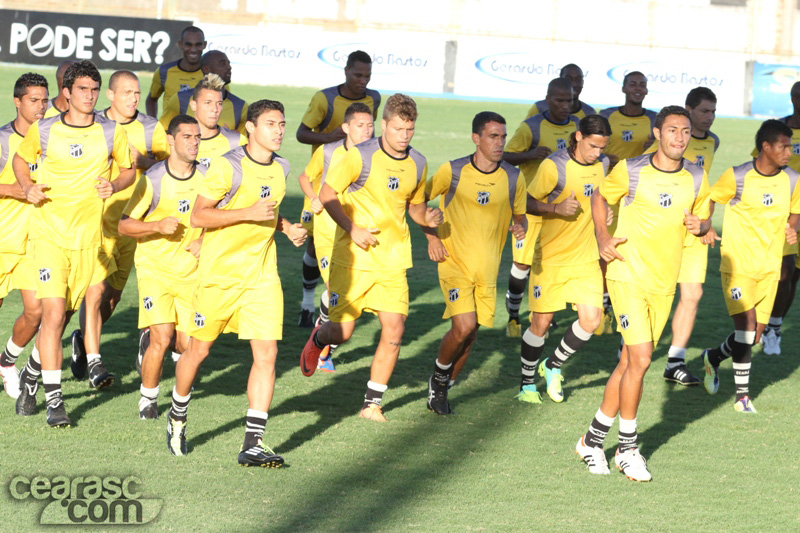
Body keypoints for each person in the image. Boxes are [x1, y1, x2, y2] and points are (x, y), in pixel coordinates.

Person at [166, 100, 307, 466]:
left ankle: (253, 443)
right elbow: (199, 215)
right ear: (251, 128)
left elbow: (269, 210)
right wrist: (247, 214)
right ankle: (178, 414)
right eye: (271, 124)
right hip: (219, 278)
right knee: (198, 352)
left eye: (282, 123)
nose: (279, 130)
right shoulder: (227, 167)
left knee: (268, 355)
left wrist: (286, 226)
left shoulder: (282, 167)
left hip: (261, 277)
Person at [574, 106, 711, 482]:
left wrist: (703, 225)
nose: (679, 138)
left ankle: (591, 439)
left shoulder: (697, 176)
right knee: (643, 357)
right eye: (672, 131)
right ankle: (628, 448)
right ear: (657, 132)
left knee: (629, 364)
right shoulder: (632, 170)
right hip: (626, 274)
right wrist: (603, 236)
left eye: (685, 132)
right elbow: (599, 197)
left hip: (663, 283)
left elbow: (703, 219)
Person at [299, 94, 442, 422]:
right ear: (384, 125)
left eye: (410, 129)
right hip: (353, 260)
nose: (404, 135)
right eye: (398, 129)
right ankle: (321, 336)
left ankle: (372, 403)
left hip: (393, 260)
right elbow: (326, 194)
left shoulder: (418, 162)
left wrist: (427, 221)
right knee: (343, 333)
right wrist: (352, 228)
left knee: (394, 330)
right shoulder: (358, 156)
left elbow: (415, 207)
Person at [13, 60, 133, 427]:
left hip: (89, 239)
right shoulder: (45, 129)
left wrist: (115, 185)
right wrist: (26, 187)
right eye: (82, 89)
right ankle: (55, 401)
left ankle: (31, 375)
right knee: (52, 314)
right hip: (48, 235)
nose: (90, 96)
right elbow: (21, 160)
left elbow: (128, 170)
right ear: (66, 93)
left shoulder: (111, 131)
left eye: (94, 90)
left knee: (68, 314)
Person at [69, 70, 170, 388]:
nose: (134, 99)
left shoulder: (152, 127)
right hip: (95, 221)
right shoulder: (93, 122)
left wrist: (146, 162)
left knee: (111, 298)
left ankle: (82, 339)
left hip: (130, 224)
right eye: (127, 93)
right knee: (93, 292)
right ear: (110, 95)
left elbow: (169, 164)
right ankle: (91, 359)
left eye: (138, 93)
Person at [423, 111, 527, 415]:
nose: (499, 142)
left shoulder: (512, 177)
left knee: (470, 335)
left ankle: (442, 389)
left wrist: (521, 227)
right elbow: (417, 201)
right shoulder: (452, 171)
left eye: (503, 136)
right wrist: (431, 237)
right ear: (476, 138)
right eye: (493, 136)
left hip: (487, 270)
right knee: (463, 325)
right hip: (454, 262)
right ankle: (439, 378)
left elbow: (520, 216)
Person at [702, 119, 800, 413]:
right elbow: (710, 199)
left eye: (791, 146)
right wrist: (706, 226)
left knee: (755, 335)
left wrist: (793, 228)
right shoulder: (738, 176)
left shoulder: (793, 179)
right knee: (745, 329)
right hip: (738, 266)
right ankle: (742, 396)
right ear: (766, 147)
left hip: (769, 270)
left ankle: (713, 358)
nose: (789, 152)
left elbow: (796, 210)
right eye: (784, 146)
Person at [517, 115, 611, 405]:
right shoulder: (553, 166)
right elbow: (526, 202)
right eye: (593, 146)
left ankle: (554, 365)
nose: (598, 153)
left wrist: (604, 213)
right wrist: (555, 208)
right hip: (551, 259)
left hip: (585, 259)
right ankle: (527, 383)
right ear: (579, 136)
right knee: (541, 324)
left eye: (602, 148)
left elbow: (600, 197)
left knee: (592, 320)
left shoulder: (603, 165)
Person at [119, 115, 206, 419]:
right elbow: (125, 225)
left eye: (197, 137)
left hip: (191, 272)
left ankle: (162, 367)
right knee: (162, 336)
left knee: (186, 344)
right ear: (170, 140)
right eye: (187, 137)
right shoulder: (153, 179)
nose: (194, 142)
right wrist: (157, 225)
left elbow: (223, 217)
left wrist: (204, 239)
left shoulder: (208, 178)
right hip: (154, 270)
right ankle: (148, 399)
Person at [294, 50, 382, 328]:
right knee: (313, 245)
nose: (362, 81)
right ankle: (308, 305)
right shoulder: (325, 99)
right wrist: (328, 138)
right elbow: (301, 133)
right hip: (322, 183)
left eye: (367, 76)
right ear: (345, 71)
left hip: (353, 187)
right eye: (357, 74)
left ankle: (325, 310)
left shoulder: (374, 98)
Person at [647, 87, 720, 384]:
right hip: (661, 227)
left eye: (713, 112)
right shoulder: (668, 142)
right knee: (649, 292)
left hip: (693, 229)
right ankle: (628, 347)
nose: (710, 118)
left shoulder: (712, 142)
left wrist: (706, 222)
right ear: (688, 110)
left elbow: (706, 190)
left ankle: (674, 362)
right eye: (704, 111)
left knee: (693, 294)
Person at [296, 102, 375, 372]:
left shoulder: (377, 154)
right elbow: (305, 177)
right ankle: (323, 347)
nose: (366, 131)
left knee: (349, 292)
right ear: (345, 127)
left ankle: (322, 327)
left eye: (370, 125)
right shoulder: (328, 151)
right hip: (329, 229)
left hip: (359, 227)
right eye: (360, 126)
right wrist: (313, 196)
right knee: (334, 287)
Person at [503, 77, 579, 337]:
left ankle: (541, 315)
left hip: (558, 210)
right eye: (559, 100)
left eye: (568, 100)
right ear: (548, 100)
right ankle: (513, 314)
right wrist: (530, 155)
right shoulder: (531, 127)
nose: (564, 105)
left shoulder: (577, 128)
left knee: (547, 264)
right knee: (522, 265)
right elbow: (504, 156)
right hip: (529, 206)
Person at [595, 71, 658, 335]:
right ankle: (603, 304)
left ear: (646, 90)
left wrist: (652, 145)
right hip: (611, 190)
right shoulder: (608, 115)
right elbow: (595, 146)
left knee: (633, 248)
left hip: (640, 195)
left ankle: (626, 303)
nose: (638, 88)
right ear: (623, 88)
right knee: (606, 247)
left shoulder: (654, 119)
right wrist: (611, 157)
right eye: (633, 83)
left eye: (642, 84)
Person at [0, 73, 48, 401]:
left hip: (34, 242)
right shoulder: (3, 139)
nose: (41, 106)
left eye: (45, 100)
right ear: (17, 102)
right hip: (3, 238)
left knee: (37, 311)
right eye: (34, 100)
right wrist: (18, 191)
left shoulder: (51, 137)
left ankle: (6, 362)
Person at [761, 81, 800, 355]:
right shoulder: (779, 128)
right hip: (783, 209)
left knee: (794, 275)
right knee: (783, 272)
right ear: (792, 97)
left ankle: (774, 326)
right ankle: (771, 327)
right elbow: (760, 164)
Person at [159, 51, 247, 134]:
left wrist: (231, 137)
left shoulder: (240, 106)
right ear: (206, 69)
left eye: (229, 63)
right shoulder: (180, 99)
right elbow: (162, 131)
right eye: (222, 64)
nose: (229, 67)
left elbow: (243, 143)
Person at [146, 26, 207, 117]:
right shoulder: (164, 71)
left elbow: (225, 103)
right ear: (180, 44)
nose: (193, 49)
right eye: (188, 44)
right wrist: (153, 122)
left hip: (198, 131)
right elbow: (151, 99)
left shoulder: (212, 75)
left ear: (205, 45)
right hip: (168, 130)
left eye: (198, 44)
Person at [190, 74, 245, 167]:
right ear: (193, 105)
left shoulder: (237, 142)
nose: (215, 109)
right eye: (208, 103)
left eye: (219, 103)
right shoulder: (178, 141)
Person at [526, 64, 595, 119]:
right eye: (568, 79)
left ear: (583, 82)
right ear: (560, 79)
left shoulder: (589, 113)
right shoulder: (539, 108)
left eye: (578, 79)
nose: (574, 84)